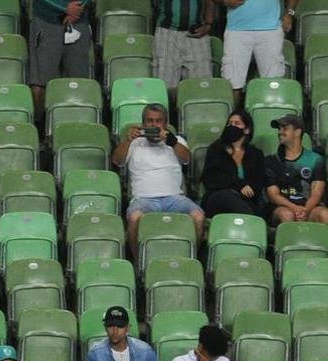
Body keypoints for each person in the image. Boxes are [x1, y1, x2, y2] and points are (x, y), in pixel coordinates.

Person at [113, 103, 205, 260]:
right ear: (143, 123)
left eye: (158, 121)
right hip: (144, 199)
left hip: (174, 198)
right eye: (150, 121)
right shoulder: (134, 143)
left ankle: (190, 261)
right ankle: (138, 263)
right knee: (134, 218)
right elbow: (117, 160)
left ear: (165, 124)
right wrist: (128, 140)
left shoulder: (176, 141)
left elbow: (186, 159)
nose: (154, 125)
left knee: (199, 217)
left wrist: (172, 142)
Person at [27, 0, 93, 116]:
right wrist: (65, 8)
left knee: (78, 82)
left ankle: (76, 121)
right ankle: (41, 124)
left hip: (79, 21)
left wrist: (77, 8)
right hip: (46, 20)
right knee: (41, 84)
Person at [222, 0, 291, 108]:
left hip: (270, 30)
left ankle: (268, 117)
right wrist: (225, 1)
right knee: (232, 83)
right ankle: (232, 118)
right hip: (236, 30)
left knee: (272, 82)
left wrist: (289, 13)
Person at [201, 110, 269, 217]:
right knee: (225, 196)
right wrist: (239, 185)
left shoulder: (256, 154)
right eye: (229, 123)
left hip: (247, 200)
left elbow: (257, 184)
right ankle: (250, 220)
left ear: (247, 130)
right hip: (217, 198)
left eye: (237, 124)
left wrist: (244, 190)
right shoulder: (216, 149)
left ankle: (249, 219)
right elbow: (212, 178)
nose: (231, 127)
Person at [265, 115, 328, 224]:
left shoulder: (316, 159)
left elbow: (317, 193)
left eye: (285, 128)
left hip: (309, 207)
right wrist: (294, 208)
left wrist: (305, 210)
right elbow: (273, 195)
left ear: (297, 132)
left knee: (325, 215)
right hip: (283, 207)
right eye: (279, 129)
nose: (280, 132)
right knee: (287, 215)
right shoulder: (271, 160)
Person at [152, 0, 215, 93]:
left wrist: (208, 23)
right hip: (167, 32)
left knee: (202, 86)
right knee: (165, 86)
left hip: (197, 32)